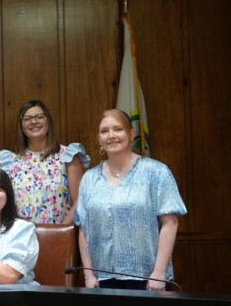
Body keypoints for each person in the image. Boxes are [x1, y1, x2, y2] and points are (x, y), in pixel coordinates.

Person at [74, 109, 186, 291]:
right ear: (99, 138)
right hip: (101, 279)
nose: (111, 135)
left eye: (117, 129)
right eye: (104, 131)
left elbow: (170, 223)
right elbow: (83, 228)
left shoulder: (156, 172)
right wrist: (89, 274)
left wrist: (159, 272)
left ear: (131, 134)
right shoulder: (89, 179)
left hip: (147, 278)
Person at [0, 99, 89, 224]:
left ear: (48, 121)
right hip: (21, 240)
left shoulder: (68, 156)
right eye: (27, 118)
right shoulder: (10, 162)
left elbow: (80, 202)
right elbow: (3, 207)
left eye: (39, 117)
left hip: (61, 237)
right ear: (21, 125)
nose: (34, 122)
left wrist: (59, 234)